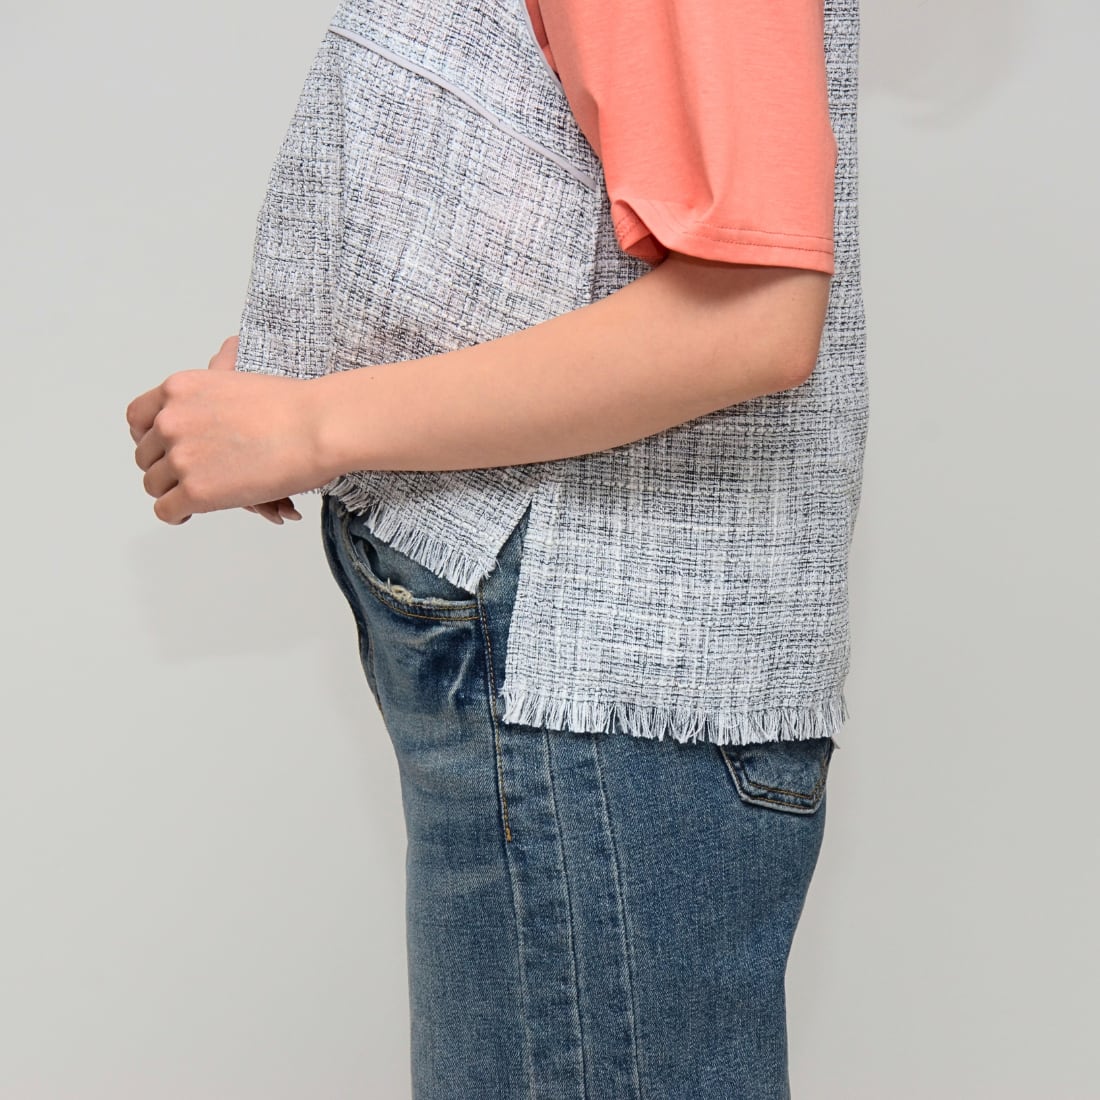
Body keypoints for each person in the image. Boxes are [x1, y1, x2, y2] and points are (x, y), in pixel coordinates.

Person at [126, 0, 866, 1095]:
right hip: (569, 689)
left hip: (586, 689)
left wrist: (314, 422)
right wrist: (315, 349)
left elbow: (752, 310)